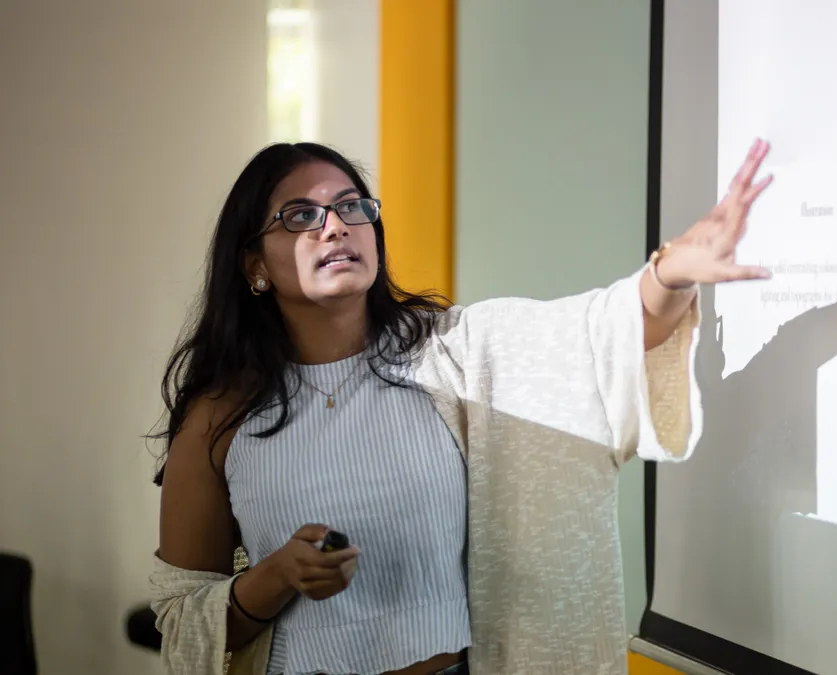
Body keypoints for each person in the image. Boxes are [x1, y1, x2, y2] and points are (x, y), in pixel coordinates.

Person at [149, 139, 775, 675]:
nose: (334, 226)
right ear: (255, 265)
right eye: (299, 215)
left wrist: (671, 274)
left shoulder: (455, 352)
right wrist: (276, 575)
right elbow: (182, 624)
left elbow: (600, 333)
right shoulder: (220, 416)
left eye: (349, 207)